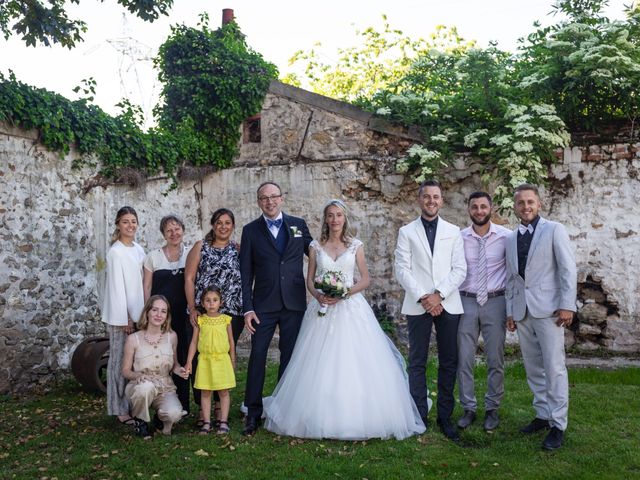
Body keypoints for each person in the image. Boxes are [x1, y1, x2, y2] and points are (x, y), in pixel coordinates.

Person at [263, 200, 425, 440]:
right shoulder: (315, 247)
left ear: (344, 218)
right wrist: (319, 295)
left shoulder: (355, 245)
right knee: (318, 360)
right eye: (330, 215)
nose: (335, 219)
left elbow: (365, 279)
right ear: (325, 219)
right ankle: (315, 413)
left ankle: (360, 413)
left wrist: (344, 293)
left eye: (339, 215)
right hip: (323, 308)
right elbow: (309, 279)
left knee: (355, 358)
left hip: (351, 308)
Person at [394, 179, 467, 442]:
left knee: (449, 361)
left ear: (442, 201)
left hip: (448, 302)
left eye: (436, 197)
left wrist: (439, 296)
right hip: (418, 303)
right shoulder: (407, 231)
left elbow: (460, 269)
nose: (431, 201)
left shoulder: (453, 230)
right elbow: (402, 268)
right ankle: (419, 415)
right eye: (427, 197)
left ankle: (445, 417)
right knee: (417, 361)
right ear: (419, 199)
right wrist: (424, 297)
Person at [505, 184, 576, 450]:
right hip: (523, 312)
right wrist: (511, 311)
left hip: (549, 311)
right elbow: (512, 279)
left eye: (530, 202)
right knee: (533, 367)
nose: (526, 207)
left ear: (539, 204)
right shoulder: (511, 239)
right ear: (515, 206)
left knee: (554, 367)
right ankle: (543, 414)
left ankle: (558, 424)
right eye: (521, 203)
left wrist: (567, 304)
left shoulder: (554, 230)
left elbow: (567, 269)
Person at [240, 181, 312, 436]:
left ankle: (284, 409)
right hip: (263, 305)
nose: (269, 202)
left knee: (290, 357)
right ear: (259, 202)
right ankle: (253, 412)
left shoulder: (298, 225)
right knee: (257, 356)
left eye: (273, 197)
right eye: (264, 198)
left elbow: (315, 255)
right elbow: (245, 273)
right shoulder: (250, 231)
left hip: (293, 302)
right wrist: (247, 309)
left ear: (282, 198)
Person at [456, 192, 510, 431]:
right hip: (465, 301)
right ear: (468, 210)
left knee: (495, 358)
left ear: (491, 208)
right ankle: (468, 407)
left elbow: (515, 271)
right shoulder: (459, 238)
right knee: (464, 357)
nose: (479, 211)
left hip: (495, 301)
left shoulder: (507, 237)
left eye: (483, 206)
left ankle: (492, 408)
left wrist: (513, 307)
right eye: (474, 207)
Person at [184, 208, 243, 426]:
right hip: (202, 312)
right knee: (201, 357)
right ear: (213, 224)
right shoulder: (201, 247)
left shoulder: (238, 249)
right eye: (219, 222)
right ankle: (203, 406)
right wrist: (192, 308)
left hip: (231, 312)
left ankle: (220, 404)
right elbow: (189, 278)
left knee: (222, 356)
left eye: (228, 222)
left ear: (233, 226)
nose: (223, 226)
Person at [143, 215, 192, 416]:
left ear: (183, 229)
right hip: (162, 318)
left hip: (186, 317)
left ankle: (185, 405)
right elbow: (147, 286)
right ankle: (161, 402)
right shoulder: (153, 257)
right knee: (163, 358)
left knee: (184, 356)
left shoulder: (191, 253)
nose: (174, 233)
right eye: (169, 230)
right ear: (163, 234)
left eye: (177, 228)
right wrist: (147, 313)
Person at [101, 206, 145, 428]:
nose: (130, 225)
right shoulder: (115, 252)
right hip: (123, 319)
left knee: (134, 364)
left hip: (139, 316)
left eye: (133, 221)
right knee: (119, 363)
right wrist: (126, 318)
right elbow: (117, 288)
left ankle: (134, 404)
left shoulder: (138, 249)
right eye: (126, 221)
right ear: (118, 224)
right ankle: (118, 409)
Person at [122, 295, 187, 438]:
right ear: (147, 312)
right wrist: (137, 375)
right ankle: (140, 421)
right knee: (146, 388)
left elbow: (174, 365)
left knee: (175, 414)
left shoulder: (172, 336)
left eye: (163, 311)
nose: (159, 315)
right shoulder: (133, 339)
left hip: (165, 386)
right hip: (140, 385)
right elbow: (125, 370)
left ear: (167, 315)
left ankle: (160, 419)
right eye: (155, 310)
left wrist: (179, 370)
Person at [185, 286, 236, 435]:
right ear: (202, 302)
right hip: (205, 361)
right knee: (205, 391)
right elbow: (194, 342)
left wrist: (232, 359)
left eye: (215, 300)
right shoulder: (200, 321)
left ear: (221, 302)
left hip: (222, 360)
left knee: (223, 391)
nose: (211, 304)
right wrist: (189, 361)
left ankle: (224, 421)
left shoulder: (226, 320)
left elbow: (231, 341)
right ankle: (206, 422)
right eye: (207, 300)